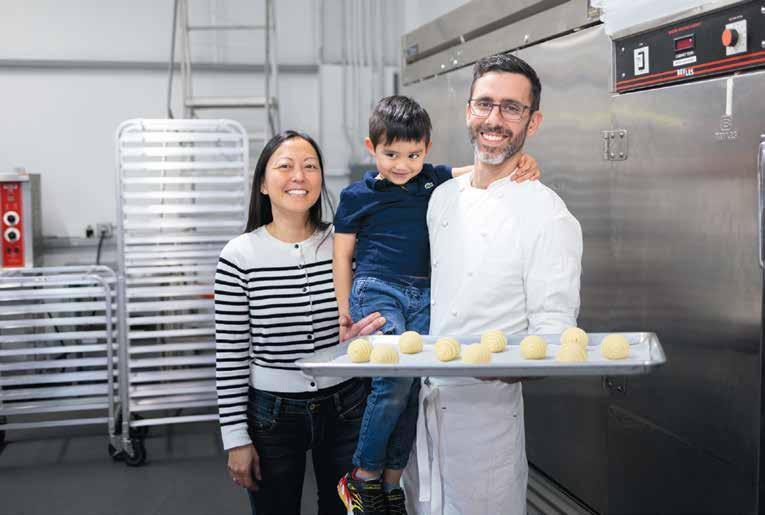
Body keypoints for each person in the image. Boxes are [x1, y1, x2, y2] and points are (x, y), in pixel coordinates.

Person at [332, 95, 541, 514]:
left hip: (424, 294)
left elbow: (478, 170)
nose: (402, 165)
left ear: (426, 149)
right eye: (391, 154)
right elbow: (342, 255)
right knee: (393, 378)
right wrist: (344, 312)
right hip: (377, 289)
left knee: (415, 384)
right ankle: (362, 476)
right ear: (371, 147)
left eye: (413, 155)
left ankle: (390, 483)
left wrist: (522, 161)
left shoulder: (431, 179)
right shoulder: (356, 196)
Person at [402, 53, 583, 515]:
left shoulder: (548, 215)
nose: (494, 119)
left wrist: (504, 367)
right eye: (484, 104)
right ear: (468, 111)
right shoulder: (442, 198)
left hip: (485, 427)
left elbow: (554, 333)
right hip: (420, 419)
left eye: (511, 108)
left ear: (533, 121)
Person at [214, 130, 387, 515]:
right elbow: (230, 354)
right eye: (285, 166)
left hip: (347, 405)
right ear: (263, 183)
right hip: (272, 414)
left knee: (346, 510)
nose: (299, 176)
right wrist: (235, 438)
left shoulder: (344, 243)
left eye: (310, 166)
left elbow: (405, 175)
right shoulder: (239, 256)